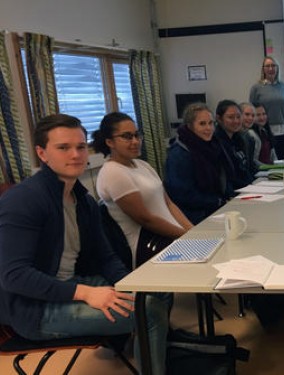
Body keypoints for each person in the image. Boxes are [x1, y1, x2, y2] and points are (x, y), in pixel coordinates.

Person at [0, 114, 168, 374]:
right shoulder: (23, 200)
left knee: (155, 293)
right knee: (151, 313)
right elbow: (13, 276)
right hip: (35, 309)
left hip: (71, 285)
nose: (76, 154)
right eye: (63, 148)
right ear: (42, 153)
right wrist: (86, 293)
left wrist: (130, 286)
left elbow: (106, 257)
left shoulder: (83, 200)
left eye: (80, 146)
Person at [92, 112, 193, 266]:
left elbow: (169, 204)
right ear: (109, 142)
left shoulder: (142, 165)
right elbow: (146, 220)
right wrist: (186, 235)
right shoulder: (113, 172)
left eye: (136, 135)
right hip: (149, 246)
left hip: (173, 236)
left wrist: (193, 231)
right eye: (126, 136)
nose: (135, 141)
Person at [164, 103, 232, 224]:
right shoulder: (179, 154)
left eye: (211, 123)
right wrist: (218, 202)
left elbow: (223, 178)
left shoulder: (212, 146)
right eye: (202, 124)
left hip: (216, 208)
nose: (208, 128)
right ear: (190, 126)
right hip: (193, 217)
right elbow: (182, 195)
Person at [249, 56, 284, 160]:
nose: (271, 68)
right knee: (269, 160)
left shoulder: (283, 87)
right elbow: (252, 109)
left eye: (273, 65)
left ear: (277, 68)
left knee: (282, 160)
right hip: (266, 130)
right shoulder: (256, 88)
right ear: (263, 69)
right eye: (268, 66)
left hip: (283, 129)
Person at [214, 99, 255, 190]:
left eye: (238, 116)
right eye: (231, 117)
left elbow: (246, 169)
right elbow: (229, 177)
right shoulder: (217, 143)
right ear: (219, 118)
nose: (236, 121)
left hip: (247, 187)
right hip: (234, 193)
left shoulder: (240, 139)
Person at [239, 102, 257, 172]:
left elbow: (251, 163)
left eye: (253, 115)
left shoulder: (249, 137)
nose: (250, 118)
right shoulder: (235, 137)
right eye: (247, 114)